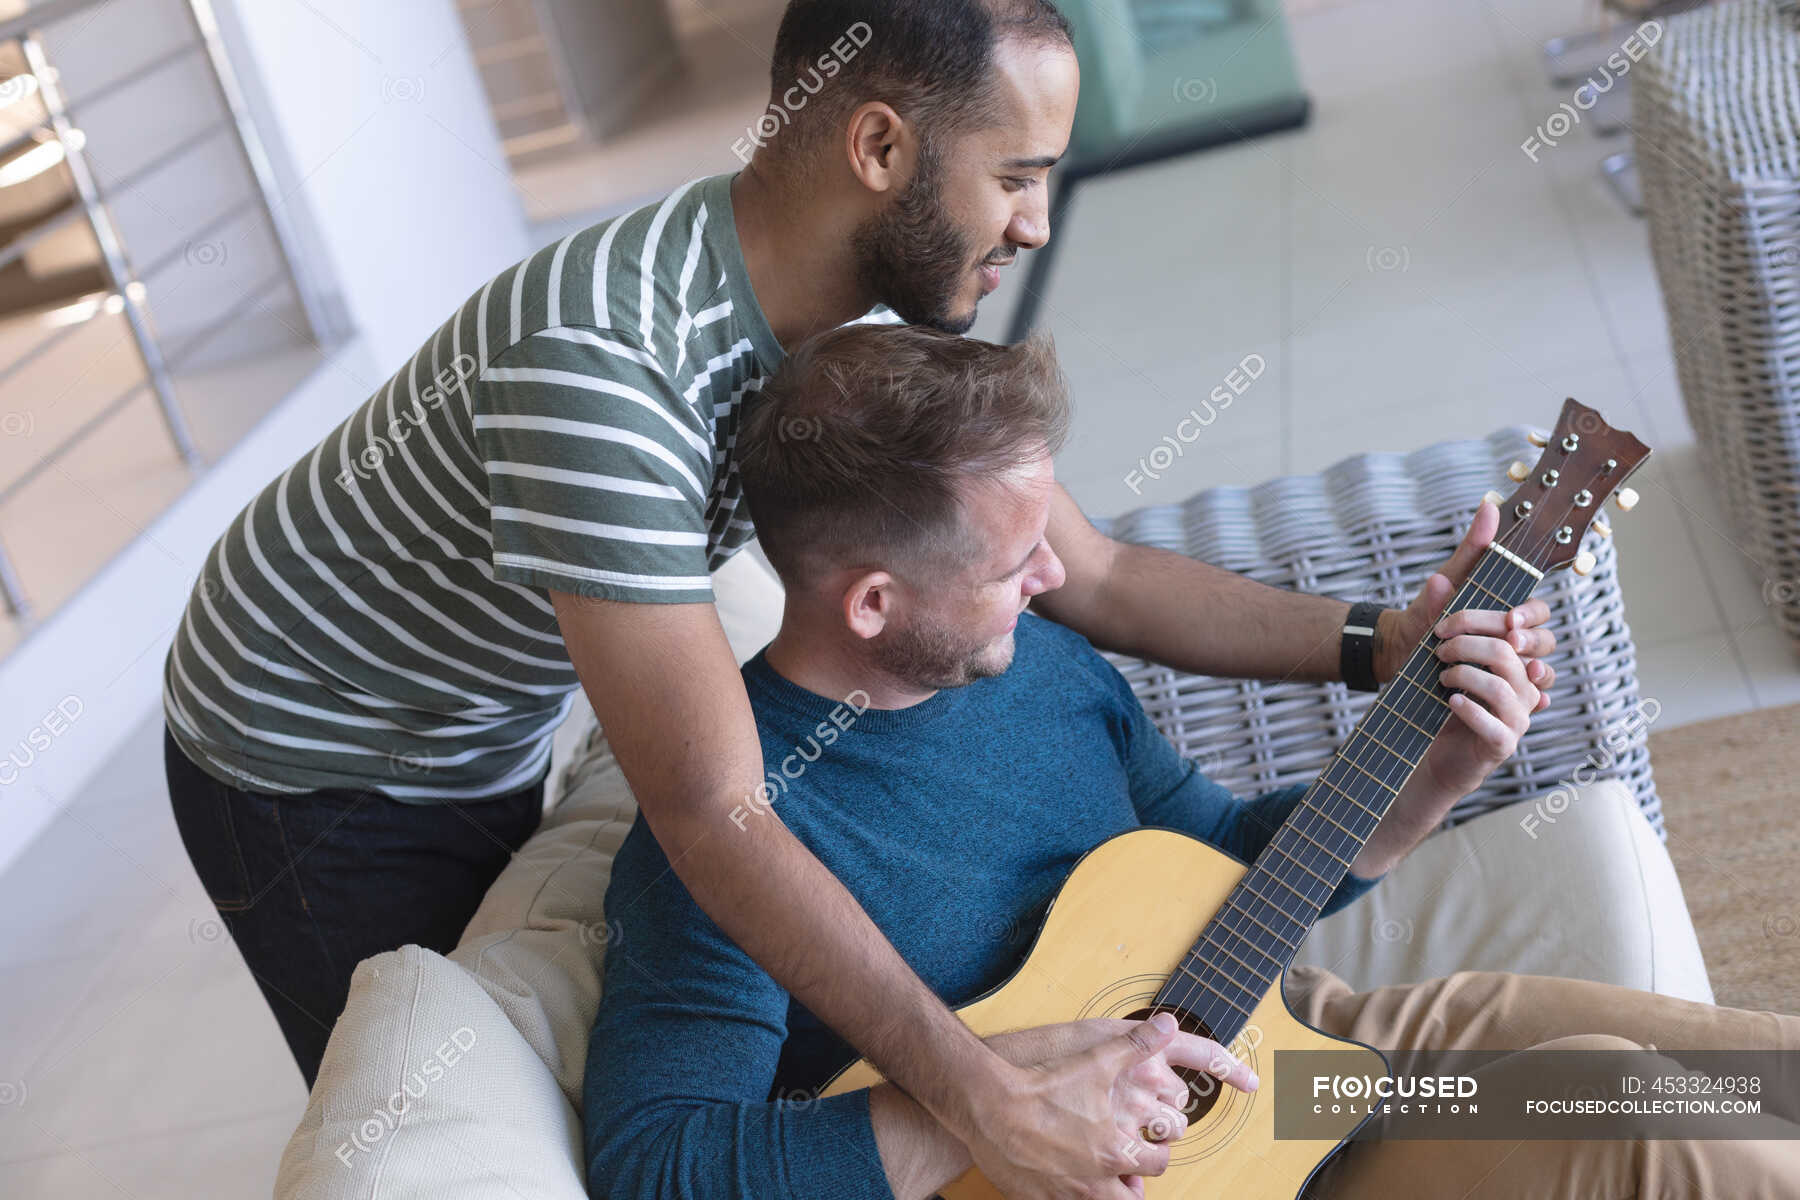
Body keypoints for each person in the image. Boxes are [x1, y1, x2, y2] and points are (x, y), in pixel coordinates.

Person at [161, 1, 1557, 1191]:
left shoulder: (878, 305)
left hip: (490, 690)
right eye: (1015, 175)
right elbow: (716, 816)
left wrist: (1385, 645)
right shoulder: (598, 372)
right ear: (879, 144)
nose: (1036, 221)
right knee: (431, 1060)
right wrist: (978, 1098)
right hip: (315, 747)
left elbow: (1104, 575)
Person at [582, 323, 1800, 1200]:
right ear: (873, 605)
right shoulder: (725, 840)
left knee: (1755, 1074)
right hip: (1221, 1181)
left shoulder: (1037, 664)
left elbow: (1219, 870)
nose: (1062, 578)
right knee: (1629, 1115)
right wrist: (996, 1106)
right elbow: (654, 1166)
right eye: (1016, 566)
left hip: (1296, 1044)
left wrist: (1437, 771)